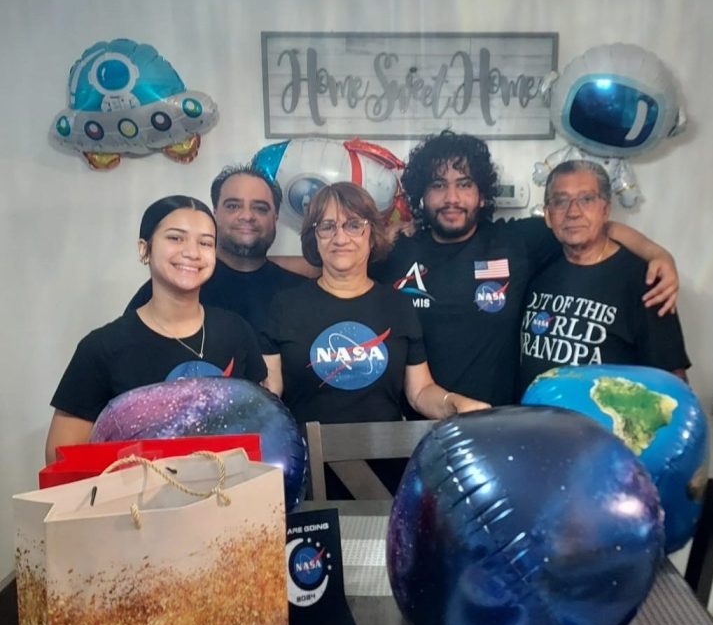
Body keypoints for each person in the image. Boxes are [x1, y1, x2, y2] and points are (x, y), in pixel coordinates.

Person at [363, 130, 680, 408]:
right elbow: (330, 273)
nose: (452, 198)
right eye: (438, 185)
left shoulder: (516, 242)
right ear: (422, 193)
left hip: (499, 425)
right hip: (410, 426)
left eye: (464, 184)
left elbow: (587, 225)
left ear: (482, 193)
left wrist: (657, 253)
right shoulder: (397, 249)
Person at [46, 195, 267, 463]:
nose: (192, 252)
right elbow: (61, 457)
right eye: (176, 238)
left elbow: (261, 425)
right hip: (137, 501)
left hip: (227, 494)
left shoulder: (236, 331)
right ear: (144, 249)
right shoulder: (102, 348)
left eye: (206, 243)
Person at [260, 182, 489, 426]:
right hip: (307, 460)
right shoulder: (285, 305)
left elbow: (420, 391)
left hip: (384, 459)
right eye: (327, 226)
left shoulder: (397, 306)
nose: (340, 238)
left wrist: (453, 403)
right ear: (314, 237)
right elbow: (268, 394)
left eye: (354, 225)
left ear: (372, 235)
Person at [518, 160, 690, 394]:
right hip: (533, 425)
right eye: (560, 201)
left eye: (586, 199)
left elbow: (673, 383)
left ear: (605, 210)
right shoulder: (537, 264)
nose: (573, 212)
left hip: (604, 429)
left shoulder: (645, 281)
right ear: (548, 215)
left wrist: (660, 255)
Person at [126, 165, 302, 337]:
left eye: (260, 208)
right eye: (233, 206)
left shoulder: (299, 291)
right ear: (214, 213)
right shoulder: (174, 286)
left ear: (275, 217)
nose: (247, 216)